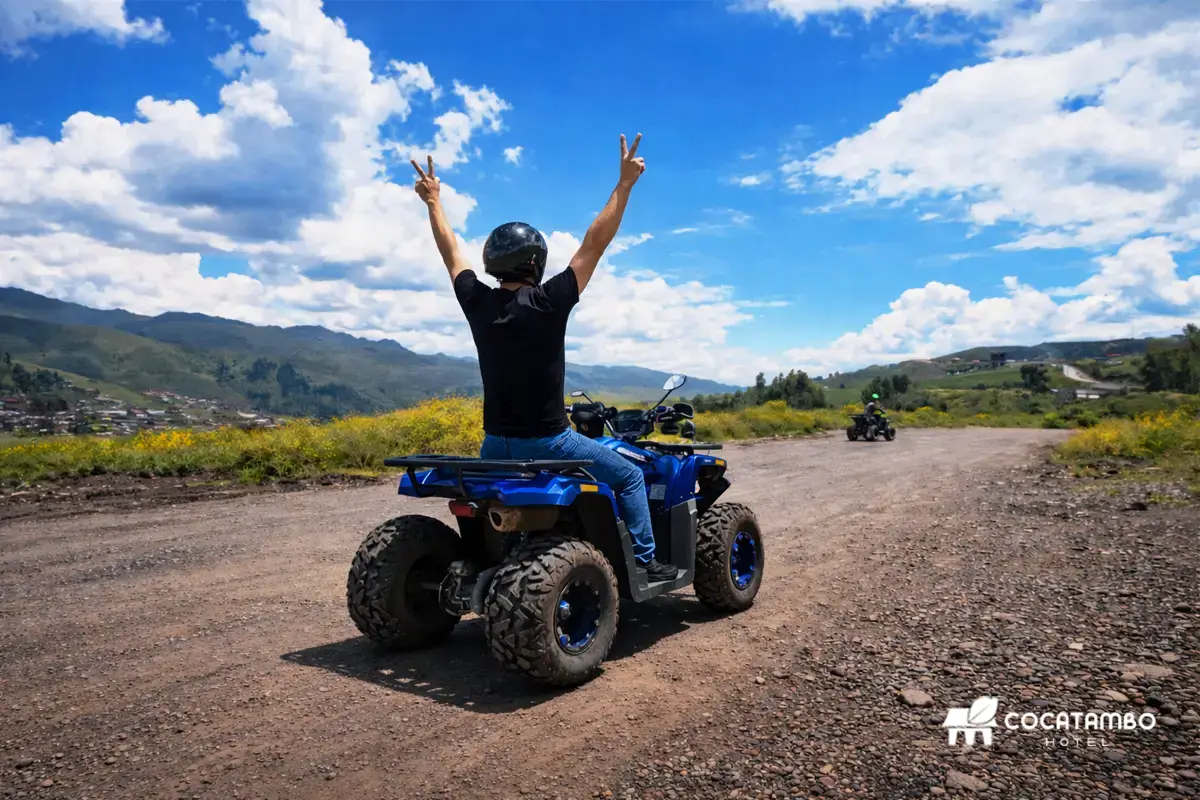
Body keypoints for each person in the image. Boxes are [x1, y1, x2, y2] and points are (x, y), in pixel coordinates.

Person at [411, 134, 679, 582]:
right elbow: (595, 243)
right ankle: (648, 562)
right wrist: (625, 185)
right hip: (550, 441)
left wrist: (433, 201)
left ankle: (496, 555)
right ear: (536, 262)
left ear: (493, 262)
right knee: (631, 478)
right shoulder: (550, 302)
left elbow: (451, 252)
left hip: (495, 442)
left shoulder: (476, 302)